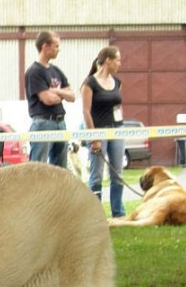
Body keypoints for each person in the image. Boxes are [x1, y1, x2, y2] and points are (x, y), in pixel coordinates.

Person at [81, 46, 125, 218]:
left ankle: (118, 212)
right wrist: (94, 138)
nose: (120, 64)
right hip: (99, 130)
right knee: (97, 175)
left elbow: (118, 106)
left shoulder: (118, 82)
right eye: (118, 60)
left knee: (117, 173)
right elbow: (86, 111)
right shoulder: (89, 83)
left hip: (118, 130)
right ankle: (96, 215)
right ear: (108, 60)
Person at [25, 31, 75, 168]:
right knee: (38, 168)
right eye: (56, 46)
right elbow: (47, 99)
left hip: (60, 122)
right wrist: (62, 94)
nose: (58, 50)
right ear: (45, 46)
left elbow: (72, 96)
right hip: (43, 123)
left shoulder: (56, 71)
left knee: (60, 169)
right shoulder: (34, 72)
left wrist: (57, 91)